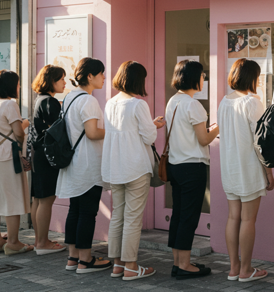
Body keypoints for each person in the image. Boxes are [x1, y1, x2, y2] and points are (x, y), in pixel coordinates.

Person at [102, 61, 165, 280]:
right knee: (133, 218)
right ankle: (131, 267)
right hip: (135, 167)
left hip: (114, 167)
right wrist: (153, 125)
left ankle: (117, 264)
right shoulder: (138, 105)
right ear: (138, 80)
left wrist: (148, 125)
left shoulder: (110, 103)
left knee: (118, 215)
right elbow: (148, 137)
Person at [218, 59, 274, 283]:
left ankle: (234, 269)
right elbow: (260, 142)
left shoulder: (224, 101)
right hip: (249, 168)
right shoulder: (252, 102)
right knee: (248, 220)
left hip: (230, 168)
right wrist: (269, 173)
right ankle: (246, 269)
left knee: (233, 217)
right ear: (253, 77)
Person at [56, 57, 112, 273]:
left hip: (72, 163)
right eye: (101, 74)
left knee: (75, 210)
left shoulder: (70, 97)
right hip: (87, 164)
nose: (104, 78)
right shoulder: (89, 100)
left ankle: (73, 257)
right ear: (90, 76)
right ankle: (86, 260)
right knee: (87, 213)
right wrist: (114, 132)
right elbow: (92, 133)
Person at [165, 60, 218, 280]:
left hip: (175, 165)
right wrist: (217, 128)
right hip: (192, 166)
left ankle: (178, 262)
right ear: (195, 78)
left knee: (178, 214)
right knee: (189, 216)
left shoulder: (173, 101)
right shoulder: (193, 104)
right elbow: (203, 138)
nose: (204, 79)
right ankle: (185, 265)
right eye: (202, 75)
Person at [0, 70, 33, 255]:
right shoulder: (10, 105)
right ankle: (13, 242)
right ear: (12, 85)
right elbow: (18, 132)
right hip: (8, 157)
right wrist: (25, 124)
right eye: (18, 84)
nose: (19, 87)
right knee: (11, 198)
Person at [29, 64, 68, 255]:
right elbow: (59, 130)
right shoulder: (51, 102)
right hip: (47, 156)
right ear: (52, 80)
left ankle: (40, 240)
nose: (64, 82)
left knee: (38, 199)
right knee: (46, 200)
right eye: (61, 78)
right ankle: (43, 243)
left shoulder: (39, 99)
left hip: (38, 154)